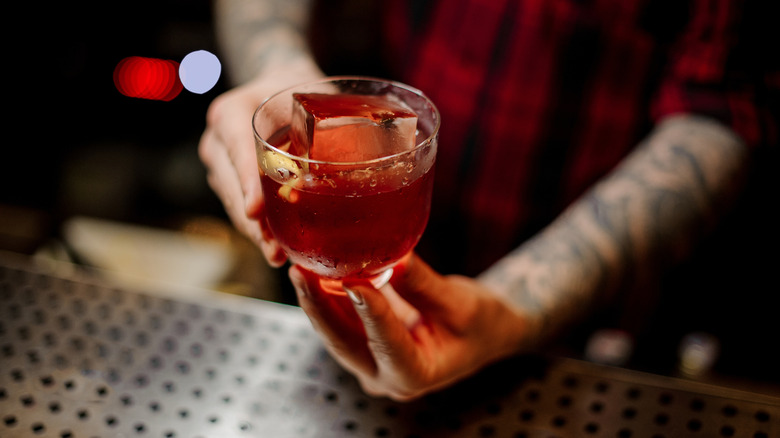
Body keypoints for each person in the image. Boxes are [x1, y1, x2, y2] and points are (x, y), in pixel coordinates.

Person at [199, 0, 776, 400]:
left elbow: (725, 107)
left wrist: (517, 303)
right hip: (375, 274)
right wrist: (279, 71)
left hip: (588, 319)